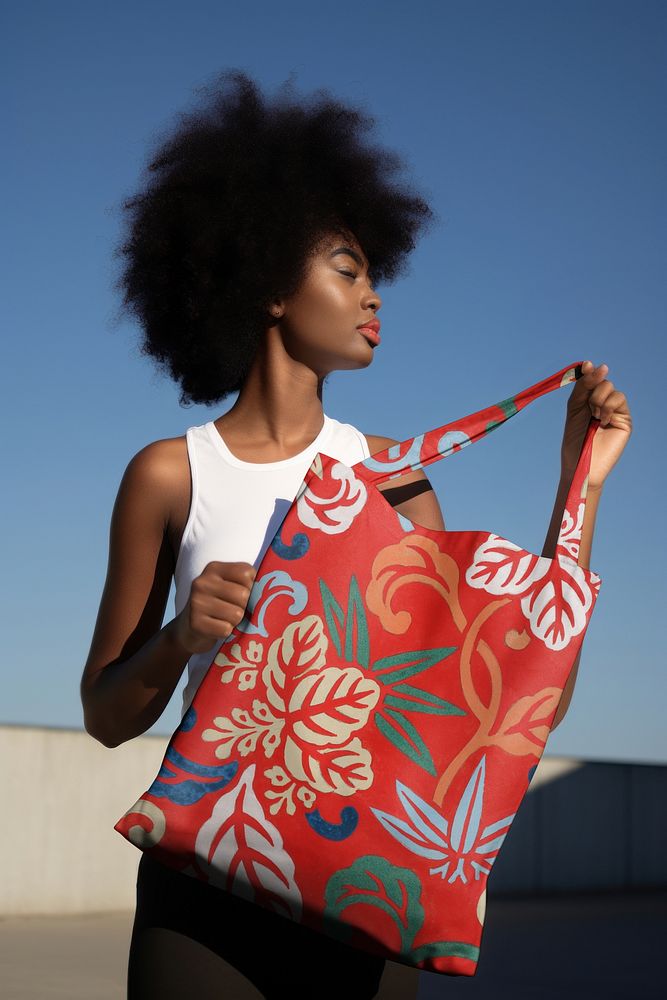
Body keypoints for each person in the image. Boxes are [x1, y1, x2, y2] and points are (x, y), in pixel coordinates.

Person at [80, 70, 632, 999]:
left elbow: (513, 698)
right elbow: (104, 716)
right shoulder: (170, 473)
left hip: (365, 884)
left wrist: (578, 491)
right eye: (348, 269)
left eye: (374, 271)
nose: (375, 295)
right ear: (264, 286)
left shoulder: (392, 476)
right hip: (201, 892)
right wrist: (183, 638)